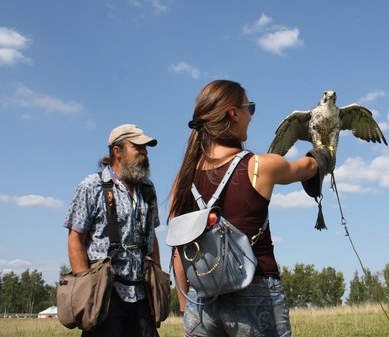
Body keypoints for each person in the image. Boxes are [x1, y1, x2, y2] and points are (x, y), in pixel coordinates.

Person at [169, 80, 332, 337]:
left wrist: (186, 304)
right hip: (255, 291)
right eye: (250, 108)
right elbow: (307, 168)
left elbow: (178, 249)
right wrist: (323, 153)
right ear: (233, 114)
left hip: (199, 301)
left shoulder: (183, 178)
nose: (251, 115)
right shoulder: (259, 165)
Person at [64, 124, 162, 337]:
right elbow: (75, 238)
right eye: (139, 147)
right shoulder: (92, 185)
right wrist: (86, 290)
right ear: (117, 152)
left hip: (141, 293)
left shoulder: (148, 188)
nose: (145, 153)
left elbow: (152, 239)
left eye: (146, 148)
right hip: (106, 294)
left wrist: (157, 283)